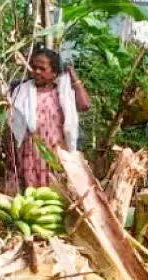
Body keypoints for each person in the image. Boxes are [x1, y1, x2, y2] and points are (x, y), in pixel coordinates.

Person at [8, 48, 90, 193]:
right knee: (33, 194)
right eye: (34, 67)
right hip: (31, 152)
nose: (37, 72)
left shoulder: (63, 93)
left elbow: (84, 105)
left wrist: (72, 74)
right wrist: (12, 158)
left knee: (58, 192)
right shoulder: (22, 92)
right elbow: (13, 125)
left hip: (56, 151)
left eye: (42, 68)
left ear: (54, 73)